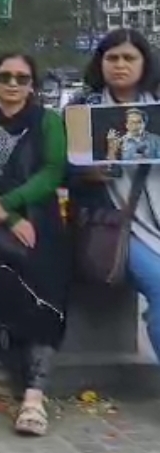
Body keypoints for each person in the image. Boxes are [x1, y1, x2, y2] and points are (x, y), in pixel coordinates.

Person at [0, 53, 68, 436]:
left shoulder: (48, 122)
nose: (13, 84)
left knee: (46, 275)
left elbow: (52, 171)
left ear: (31, 85)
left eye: (22, 78)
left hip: (39, 217)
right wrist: (5, 216)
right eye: (5, 77)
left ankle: (35, 394)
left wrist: (8, 205)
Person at [69, 28, 160, 362]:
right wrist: (87, 174)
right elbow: (65, 170)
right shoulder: (84, 108)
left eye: (129, 58)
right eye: (112, 57)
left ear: (144, 62)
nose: (120, 65)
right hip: (116, 224)